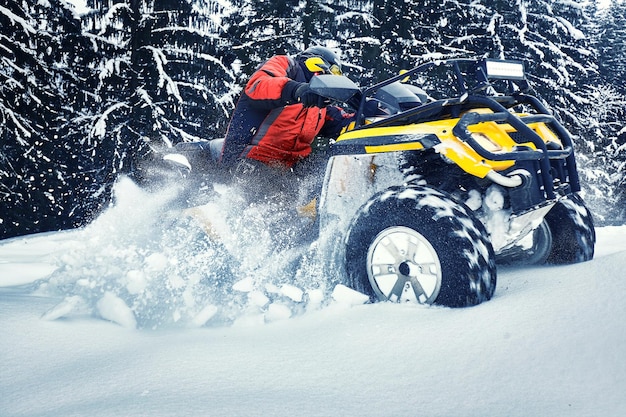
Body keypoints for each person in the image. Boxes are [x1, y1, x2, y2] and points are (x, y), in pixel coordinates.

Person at [219, 46, 355, 201]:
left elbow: (344, 122)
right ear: (317, 62)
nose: (334, 78)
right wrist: (297, 91)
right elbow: (258, 86)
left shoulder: (320, 108)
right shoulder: (287, 65)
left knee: (327, 175)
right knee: (276, 207)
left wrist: (371, 112)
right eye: (335, 71)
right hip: (253, 157)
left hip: (287, 168)